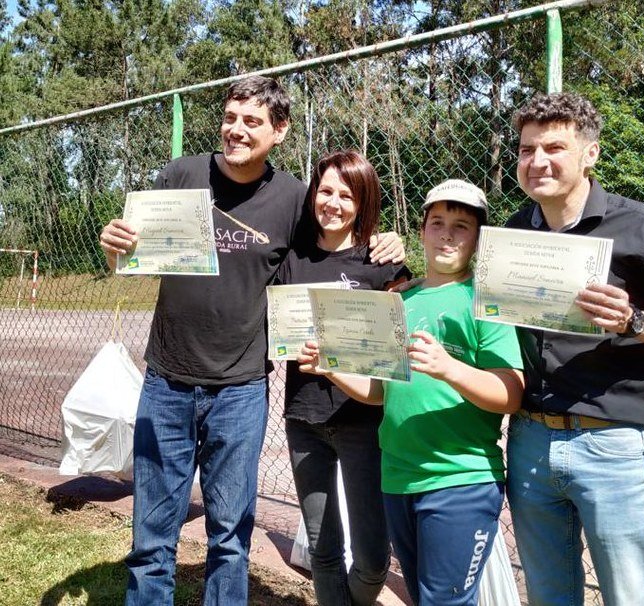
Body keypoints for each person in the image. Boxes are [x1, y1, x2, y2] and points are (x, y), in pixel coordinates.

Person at [98, 76, 403, 606]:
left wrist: (381, 238)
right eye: (230, 117)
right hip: (166, 381)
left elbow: (332, 243)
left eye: (252, 121)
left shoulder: (294, 199)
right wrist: (114, 248)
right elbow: (134, 255)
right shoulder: (180, 175)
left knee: (230, 538)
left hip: (239, 390)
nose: (236, 130)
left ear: (279, 131)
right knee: (150, 539)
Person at [504, 91, 644, 606]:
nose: (537, 161)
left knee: (629, 596)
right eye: (527, 149)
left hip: (610, 443)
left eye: (554, 147)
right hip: (529, 439)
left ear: (590, 154)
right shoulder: (514, 231)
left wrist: (634, 321)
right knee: (548, 595)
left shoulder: (639, 227)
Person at [298, 179, 525, 606]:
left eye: (461, 226)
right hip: (399, 476)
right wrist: (332, 368)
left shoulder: (485, 301)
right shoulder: (401, 301)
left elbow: (510, 393)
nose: (446, 235)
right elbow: (379, 392)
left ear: (478, 239)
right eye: (437, 223)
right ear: (421, 231)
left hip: (459, 479)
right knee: (423, 597)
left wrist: (449, 367)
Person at [278, 150, 411, 605]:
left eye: (346, 195)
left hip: (364, 424)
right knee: (324, 548)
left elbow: (399, 347)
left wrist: (395, 241)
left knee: (373, 559)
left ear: (363, 202)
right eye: (325, 191)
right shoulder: (292, 258)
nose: (332, 203)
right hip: (304, 420)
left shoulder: (382, 263)